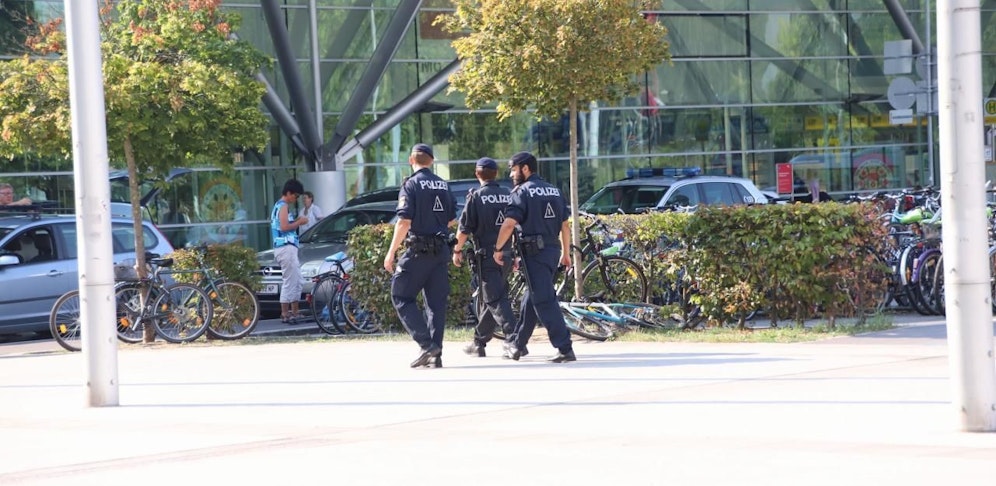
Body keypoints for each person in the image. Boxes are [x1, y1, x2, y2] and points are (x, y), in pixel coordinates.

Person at [493, 151, 576, 363]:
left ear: (525, 168)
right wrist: (566, 254)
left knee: (544, 300)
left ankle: (564, 347)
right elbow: (565, 226)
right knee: (532, 298)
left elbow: (509, 223)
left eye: (514, 169)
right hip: (552, 251)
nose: (511, 174)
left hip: (534, 253)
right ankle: (517, 344)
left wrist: (498, 248)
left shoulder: (522, 192)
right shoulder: (554, 190)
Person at [384, 143, 457, 368]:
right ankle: (436, 355)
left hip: (418, 251)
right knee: (435, 304)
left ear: (411, 160)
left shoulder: (411, 184)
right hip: (440, 250)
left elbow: (404, 221)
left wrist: (391, 252)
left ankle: (427, 345)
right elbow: (452, 219)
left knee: (401, 295)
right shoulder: (443, 185)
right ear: (432, 161)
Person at [452, 157, 516, 358]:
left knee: (494, 298)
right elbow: (515, 225)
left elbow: (463, 230)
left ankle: (515, 338)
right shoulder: (508, 195)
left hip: (488, 256)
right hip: (506, 254)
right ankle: (479, 342)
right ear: (496, 173)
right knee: (494, 297)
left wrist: (456, 251)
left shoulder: (476, 197)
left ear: (477, 174)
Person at [271, 179, 309, 324]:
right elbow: (284, 226)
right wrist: (299, 222)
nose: (296, 199)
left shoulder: (280, 206)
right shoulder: (283, 206)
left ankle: (294, 311)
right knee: (289, 280)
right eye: (295, 195)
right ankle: (285, 312)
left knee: (297, 280)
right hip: (285, 247)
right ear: (288, 193)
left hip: (287, 247)